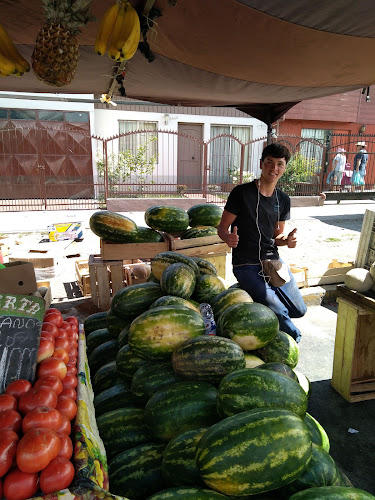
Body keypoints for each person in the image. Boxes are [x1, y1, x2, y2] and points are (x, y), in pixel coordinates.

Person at [217, 142, 307, 343]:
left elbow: (277, 236)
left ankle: (269, 311)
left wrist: (288, 241)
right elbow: (222, 228)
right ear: (261, 164)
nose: (274, 169)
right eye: (269, 162)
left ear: (284, 168)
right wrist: (228, 237)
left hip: (273, 261)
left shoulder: (283, 199)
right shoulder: (241, 193)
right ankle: (291, 338)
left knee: (299, 310)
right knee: (280, 312)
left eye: (279, 164)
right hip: (245, 264)